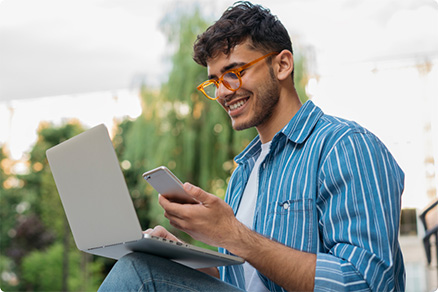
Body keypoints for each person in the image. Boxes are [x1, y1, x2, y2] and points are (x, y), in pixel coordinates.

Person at [99, 1, 405, 291]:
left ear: (283, 64)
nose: (222, 92)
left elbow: (365, 284)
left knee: (138, 273)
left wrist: (233, 234)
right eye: (215, 81)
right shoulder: (244, 173)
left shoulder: (344, 146)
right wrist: (183, 258)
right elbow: (242, 281)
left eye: (233, 73)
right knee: (144, 263)